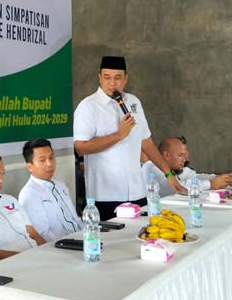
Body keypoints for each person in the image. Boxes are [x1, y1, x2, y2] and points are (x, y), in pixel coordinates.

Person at [73, 55, 186, 219]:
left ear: (126, 79)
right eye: (107, 78)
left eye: (117, 78)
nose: (112, 83)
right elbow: (81, 147)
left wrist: (168, 174)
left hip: (136, 192)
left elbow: (146, 142)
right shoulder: (88, 107)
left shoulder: (134, 102)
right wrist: (119, 135)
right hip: (105, 196)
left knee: (140, 239)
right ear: (99, 78)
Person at [18, 139, 83, 242]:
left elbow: (75, 219)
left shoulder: (60, 185)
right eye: (42, 160)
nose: (49, 164)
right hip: (60, 248)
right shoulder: (29, 194)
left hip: (80, 239)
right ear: (30, 167)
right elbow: (42, 234)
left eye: (51, 158)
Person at [142, 136, 232, 196]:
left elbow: (193, 176)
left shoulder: (175, 170)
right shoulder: (153, 170)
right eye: (180, 155)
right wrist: (211, 184)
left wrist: (220, 178)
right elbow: (179, 188)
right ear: (166, 155)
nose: (184, 159)